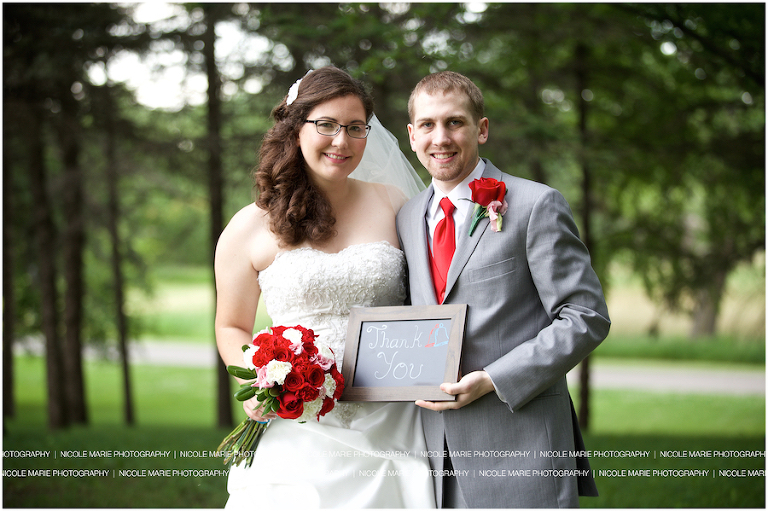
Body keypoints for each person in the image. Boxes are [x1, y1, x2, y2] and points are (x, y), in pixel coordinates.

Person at [214, 66, 435, 508]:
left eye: (356, 128)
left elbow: (431, 298)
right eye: (327, 125)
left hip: (391, 420)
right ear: (296, 130)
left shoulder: (394, 203)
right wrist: (265, 380)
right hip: (298, 423)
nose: (342, 141)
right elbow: (231, 325)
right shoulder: (248, 227)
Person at [395, 71, 611, 508]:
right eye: (429, 125)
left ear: (482, 129)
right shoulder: (406, 216)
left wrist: (493, 379)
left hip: (522, 443)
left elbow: (585, 316)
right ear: (412, 135)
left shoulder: (535, 205)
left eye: (455, 122)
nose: (442, 137)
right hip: (433, 454)